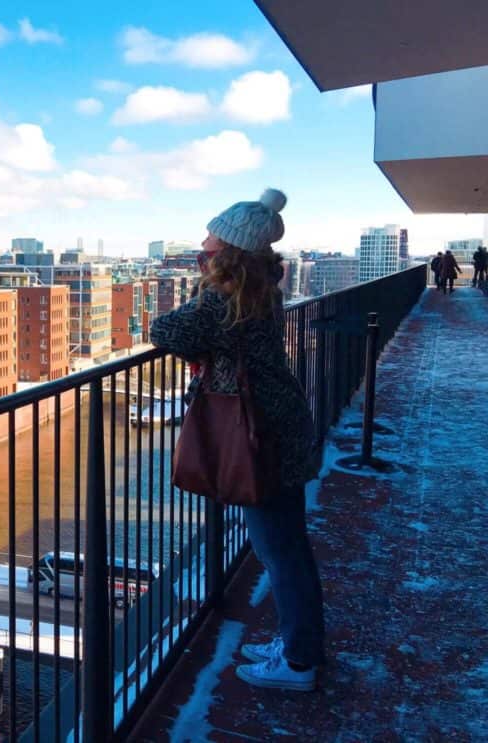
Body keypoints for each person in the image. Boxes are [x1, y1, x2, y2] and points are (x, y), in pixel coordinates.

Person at [150, 188, 325, 692]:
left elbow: (165, 330)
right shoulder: (260, 289)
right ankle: (299, 644)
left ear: (228, 248)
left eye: (210, 236)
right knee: (286, 546)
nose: (202, 243)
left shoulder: (225, 301)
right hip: (277, 426)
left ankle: (299, 662)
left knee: (281, 552)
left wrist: (201, 291)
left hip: (257, 436)